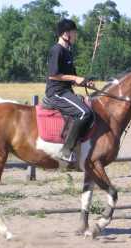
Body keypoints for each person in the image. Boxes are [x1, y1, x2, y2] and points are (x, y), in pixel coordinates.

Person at [45, 19, 95, 162]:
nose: (76, 35)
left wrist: (84, 82)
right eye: (74, 32)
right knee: (85, 113)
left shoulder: (68, 52)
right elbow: (53, 75)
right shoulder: (57, 50)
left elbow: (71, 79)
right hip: (57, 92)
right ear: (66, 34)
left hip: (66, 91)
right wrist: (75, 78)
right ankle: (65, 151)